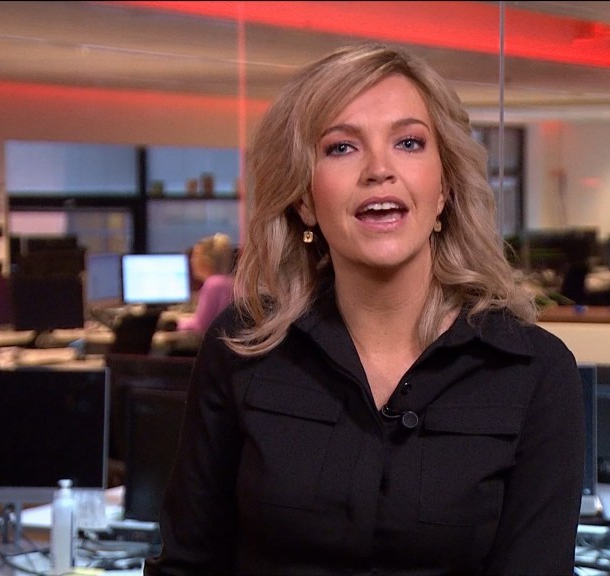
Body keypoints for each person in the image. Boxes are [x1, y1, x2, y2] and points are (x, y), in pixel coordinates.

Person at [146, 43, 584, 576]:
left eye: (408, 142)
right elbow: (188, 564)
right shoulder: (243, 348)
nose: (380, 169)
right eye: (341, 148)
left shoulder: (535, 371)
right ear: (304, 200)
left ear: (444, 187)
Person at [176, 233, 235, 336]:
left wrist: (176, 323)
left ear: (206, 260)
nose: (191, 261)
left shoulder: (213, 284)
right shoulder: (228, 281)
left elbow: (200, 326)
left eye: (195, 256)